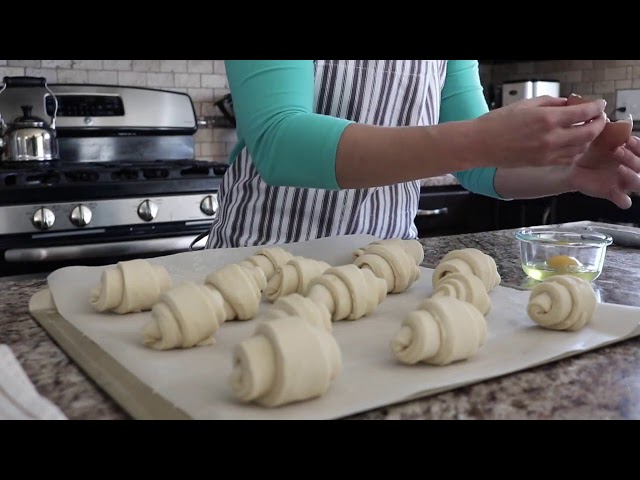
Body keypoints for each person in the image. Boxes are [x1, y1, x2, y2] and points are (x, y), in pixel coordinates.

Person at [205, 60, 640, 249]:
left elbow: (480, 168)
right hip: (260, 260)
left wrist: (570, 173)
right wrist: (479, 139)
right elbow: (280, 141)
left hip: (384, 270)